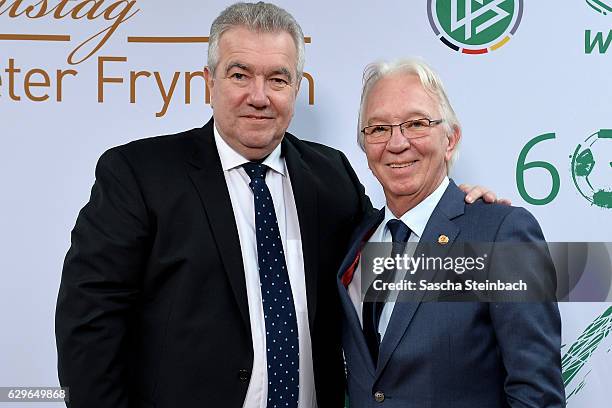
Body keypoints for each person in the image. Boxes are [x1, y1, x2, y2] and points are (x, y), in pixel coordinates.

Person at [55, 3, 502, 408]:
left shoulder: (332, 176)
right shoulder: (138, 174)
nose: (259, 95)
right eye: (239, 74)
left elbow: (390, 261)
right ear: (208, 81)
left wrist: (460, 213)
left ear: (295, 87)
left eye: (277, 78)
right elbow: (88, 329)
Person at [337, 59, 565, 407]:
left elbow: (537, 394)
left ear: (450, 138)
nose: (397, 143)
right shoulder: (356, 240)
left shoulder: (499, 234)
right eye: (379, 128)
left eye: (416, 124)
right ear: (365, 146)